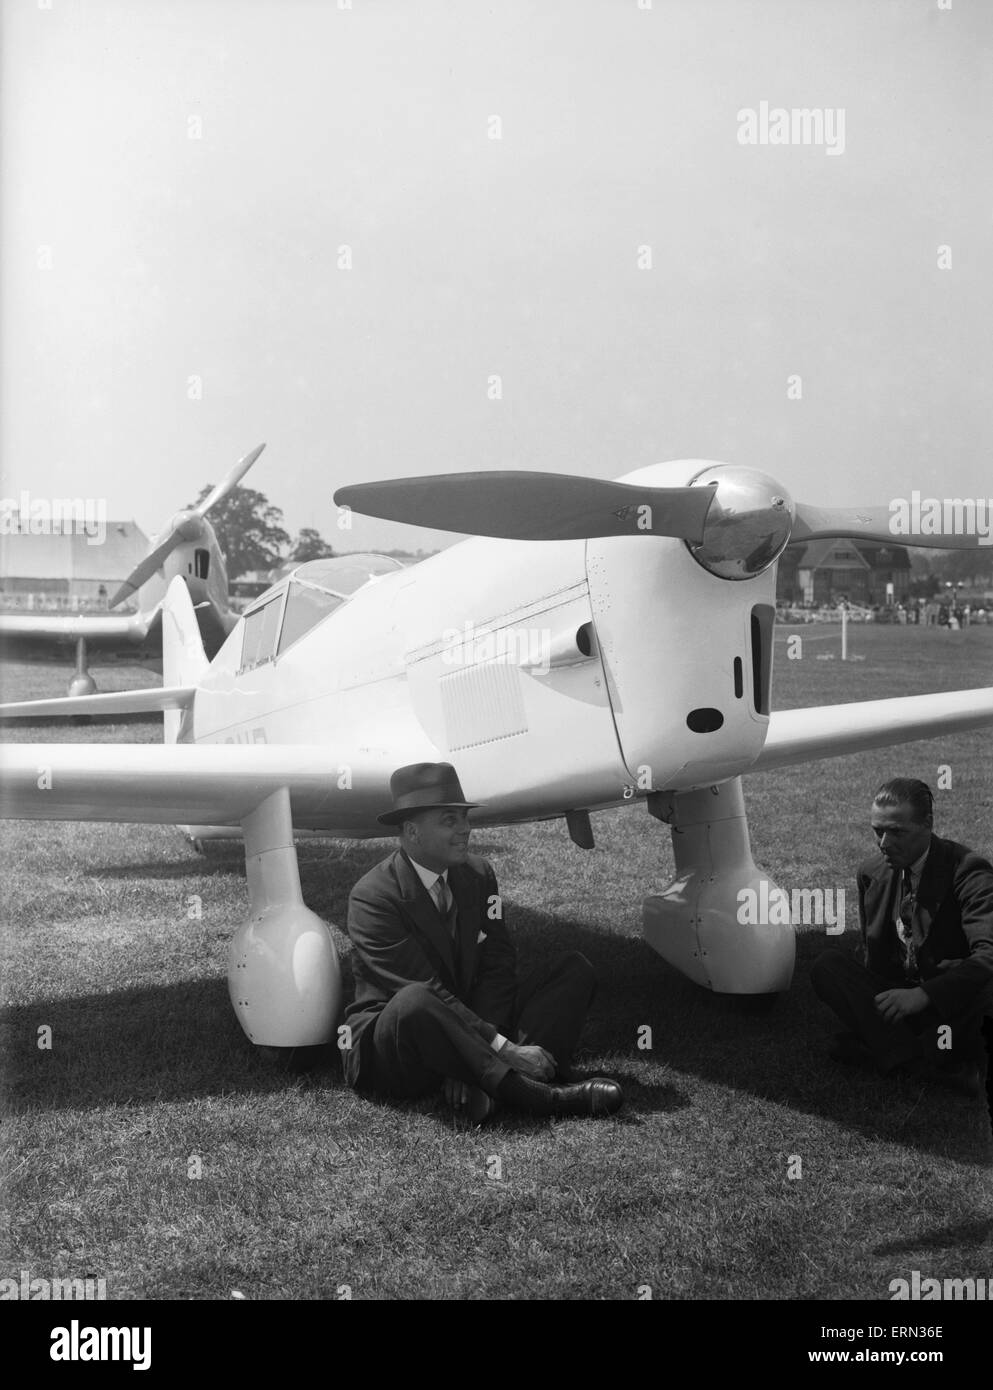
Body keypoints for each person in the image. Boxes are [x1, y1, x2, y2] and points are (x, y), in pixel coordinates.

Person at [340, 761, 624, 1122]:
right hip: (398, 1045)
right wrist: (500, 1046)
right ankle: (538, 1097)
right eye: (450, 821)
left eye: (465, 818)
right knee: (415, 999)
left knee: (573, 969)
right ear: (412, 832)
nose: (466, 830)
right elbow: (426, 989)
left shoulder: (478, 874)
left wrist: (481, 1052)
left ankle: (488, 1081)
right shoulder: (372, 897)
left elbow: (497, 964)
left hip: (466, 1022)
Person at [810, 778, 993, 1094]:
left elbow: (988, 954)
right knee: (827, 966)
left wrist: (925, 994)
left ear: (928, 824)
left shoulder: (969, 871)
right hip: (898, 997)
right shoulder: (871, 871)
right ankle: (926, 1065)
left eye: (896, 832)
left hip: (947, 1002)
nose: (883, 843)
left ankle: (883, 1052)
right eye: (877, 831)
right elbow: (873, 955)